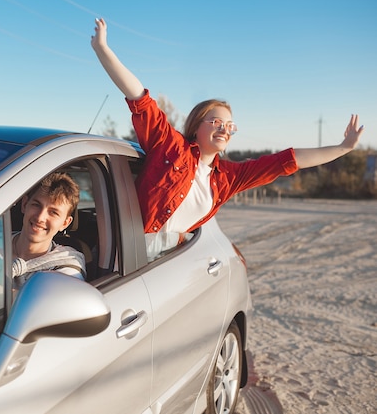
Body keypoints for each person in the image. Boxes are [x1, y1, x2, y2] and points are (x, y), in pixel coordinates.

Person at [90, 18, 365, 260]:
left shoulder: (229, 178)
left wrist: (342, 148)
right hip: (125, 258)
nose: (224, 129)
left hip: (163, 266)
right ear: (197, 126)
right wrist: (103, 49)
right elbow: (140, 98)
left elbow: (287, 161)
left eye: (230, 126)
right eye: (217, 122)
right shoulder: (170, 146)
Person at [0, 172, 86, 294]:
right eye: (36, 205)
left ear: (65, 223)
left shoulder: (67, 267)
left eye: (53, 212)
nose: (40, 218)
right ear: (24, 204)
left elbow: (34, 306)